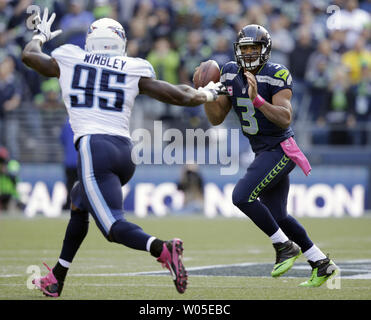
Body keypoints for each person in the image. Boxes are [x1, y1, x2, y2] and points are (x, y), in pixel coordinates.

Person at [22, 8, 225, 297]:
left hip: (95, 148)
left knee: (112, 228)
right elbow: (179, 95)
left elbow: (29, 57)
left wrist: (40, 36)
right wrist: (209, 93)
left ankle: (163, 249)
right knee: (79, 201)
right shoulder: (133, 67)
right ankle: (57, 277)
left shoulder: (70, 57)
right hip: (124, 152)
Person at [198, 24, 338, 287]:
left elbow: (285, 119)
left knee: (241, 196)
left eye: (254, 48)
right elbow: (217, 118)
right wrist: (207, 94)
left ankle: (284, 246)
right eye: (245, 48)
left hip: (281, 149)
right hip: (262, 151)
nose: (249, 53)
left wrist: (258, 101)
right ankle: (321, 263)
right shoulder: (229, 72)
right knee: (279, 215)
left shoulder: (277, 74)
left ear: (266, 50)